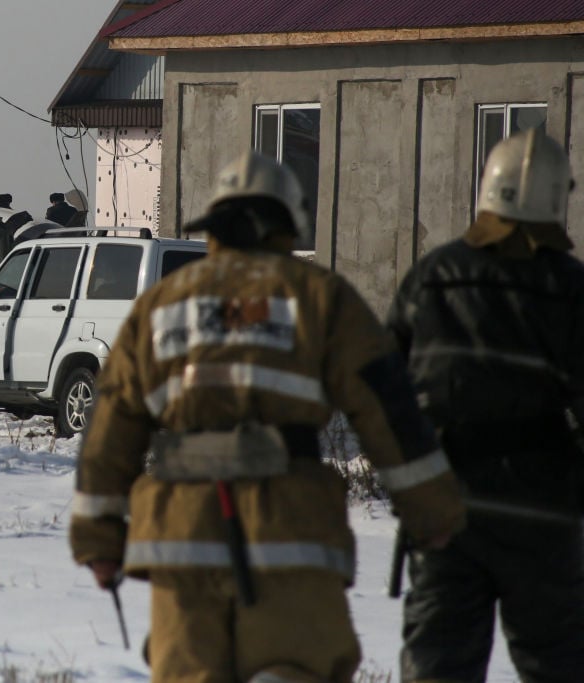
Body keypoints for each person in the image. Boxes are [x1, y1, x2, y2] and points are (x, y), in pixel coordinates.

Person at [70, 149, 465, 683]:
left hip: (182, 540)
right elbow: (387, 407)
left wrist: (98, 539)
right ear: (283, 222)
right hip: (291, 531)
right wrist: (432, 512)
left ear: (214, 223)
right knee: (293, 670)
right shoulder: (320, 297)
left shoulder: (158, 306)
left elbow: (109, 426)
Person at [387, 128, 584, 683]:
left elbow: (381, 392)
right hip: (542, 516)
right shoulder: (570, 288)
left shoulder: (432, 277)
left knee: (437, 668)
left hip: (446, 510)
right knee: (557, 665)